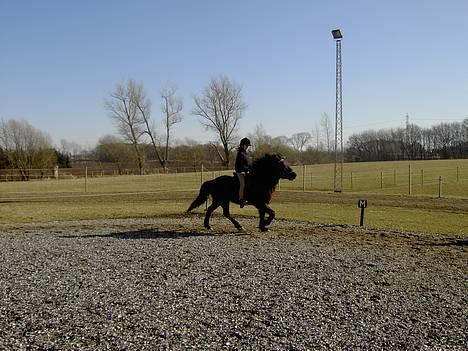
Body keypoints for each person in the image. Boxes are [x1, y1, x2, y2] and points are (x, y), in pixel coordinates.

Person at [235, 137, 251, 207]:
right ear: (243, 145)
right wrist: (246, 169)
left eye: (248, 145)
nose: (247, 147)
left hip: (245, 172)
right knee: (243, 184)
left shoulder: (245, 153)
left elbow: (248, 163)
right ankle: (241, 199)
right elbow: (240, 165)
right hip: (240, 172)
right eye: (247, 145)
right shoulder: (240, 153)